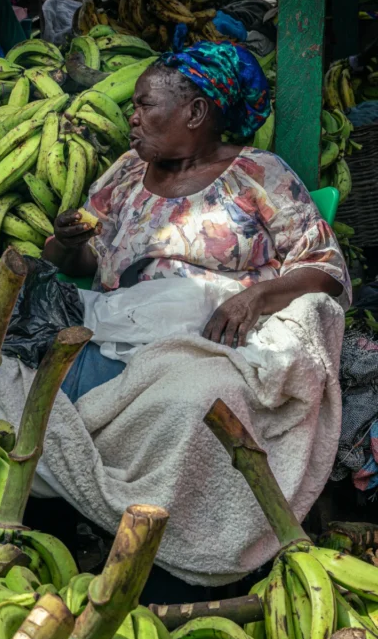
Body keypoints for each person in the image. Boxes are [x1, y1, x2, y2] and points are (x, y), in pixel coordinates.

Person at [42, 40, 351, 402]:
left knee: (178, 400)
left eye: (146, 104)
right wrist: (69, 243)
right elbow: (83, 260)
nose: (133, 116)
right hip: (120, 331)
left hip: (211, 345)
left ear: (195, 112)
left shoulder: (259, 174)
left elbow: (326, 270)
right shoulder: (127, 171)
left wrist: (254, 298)